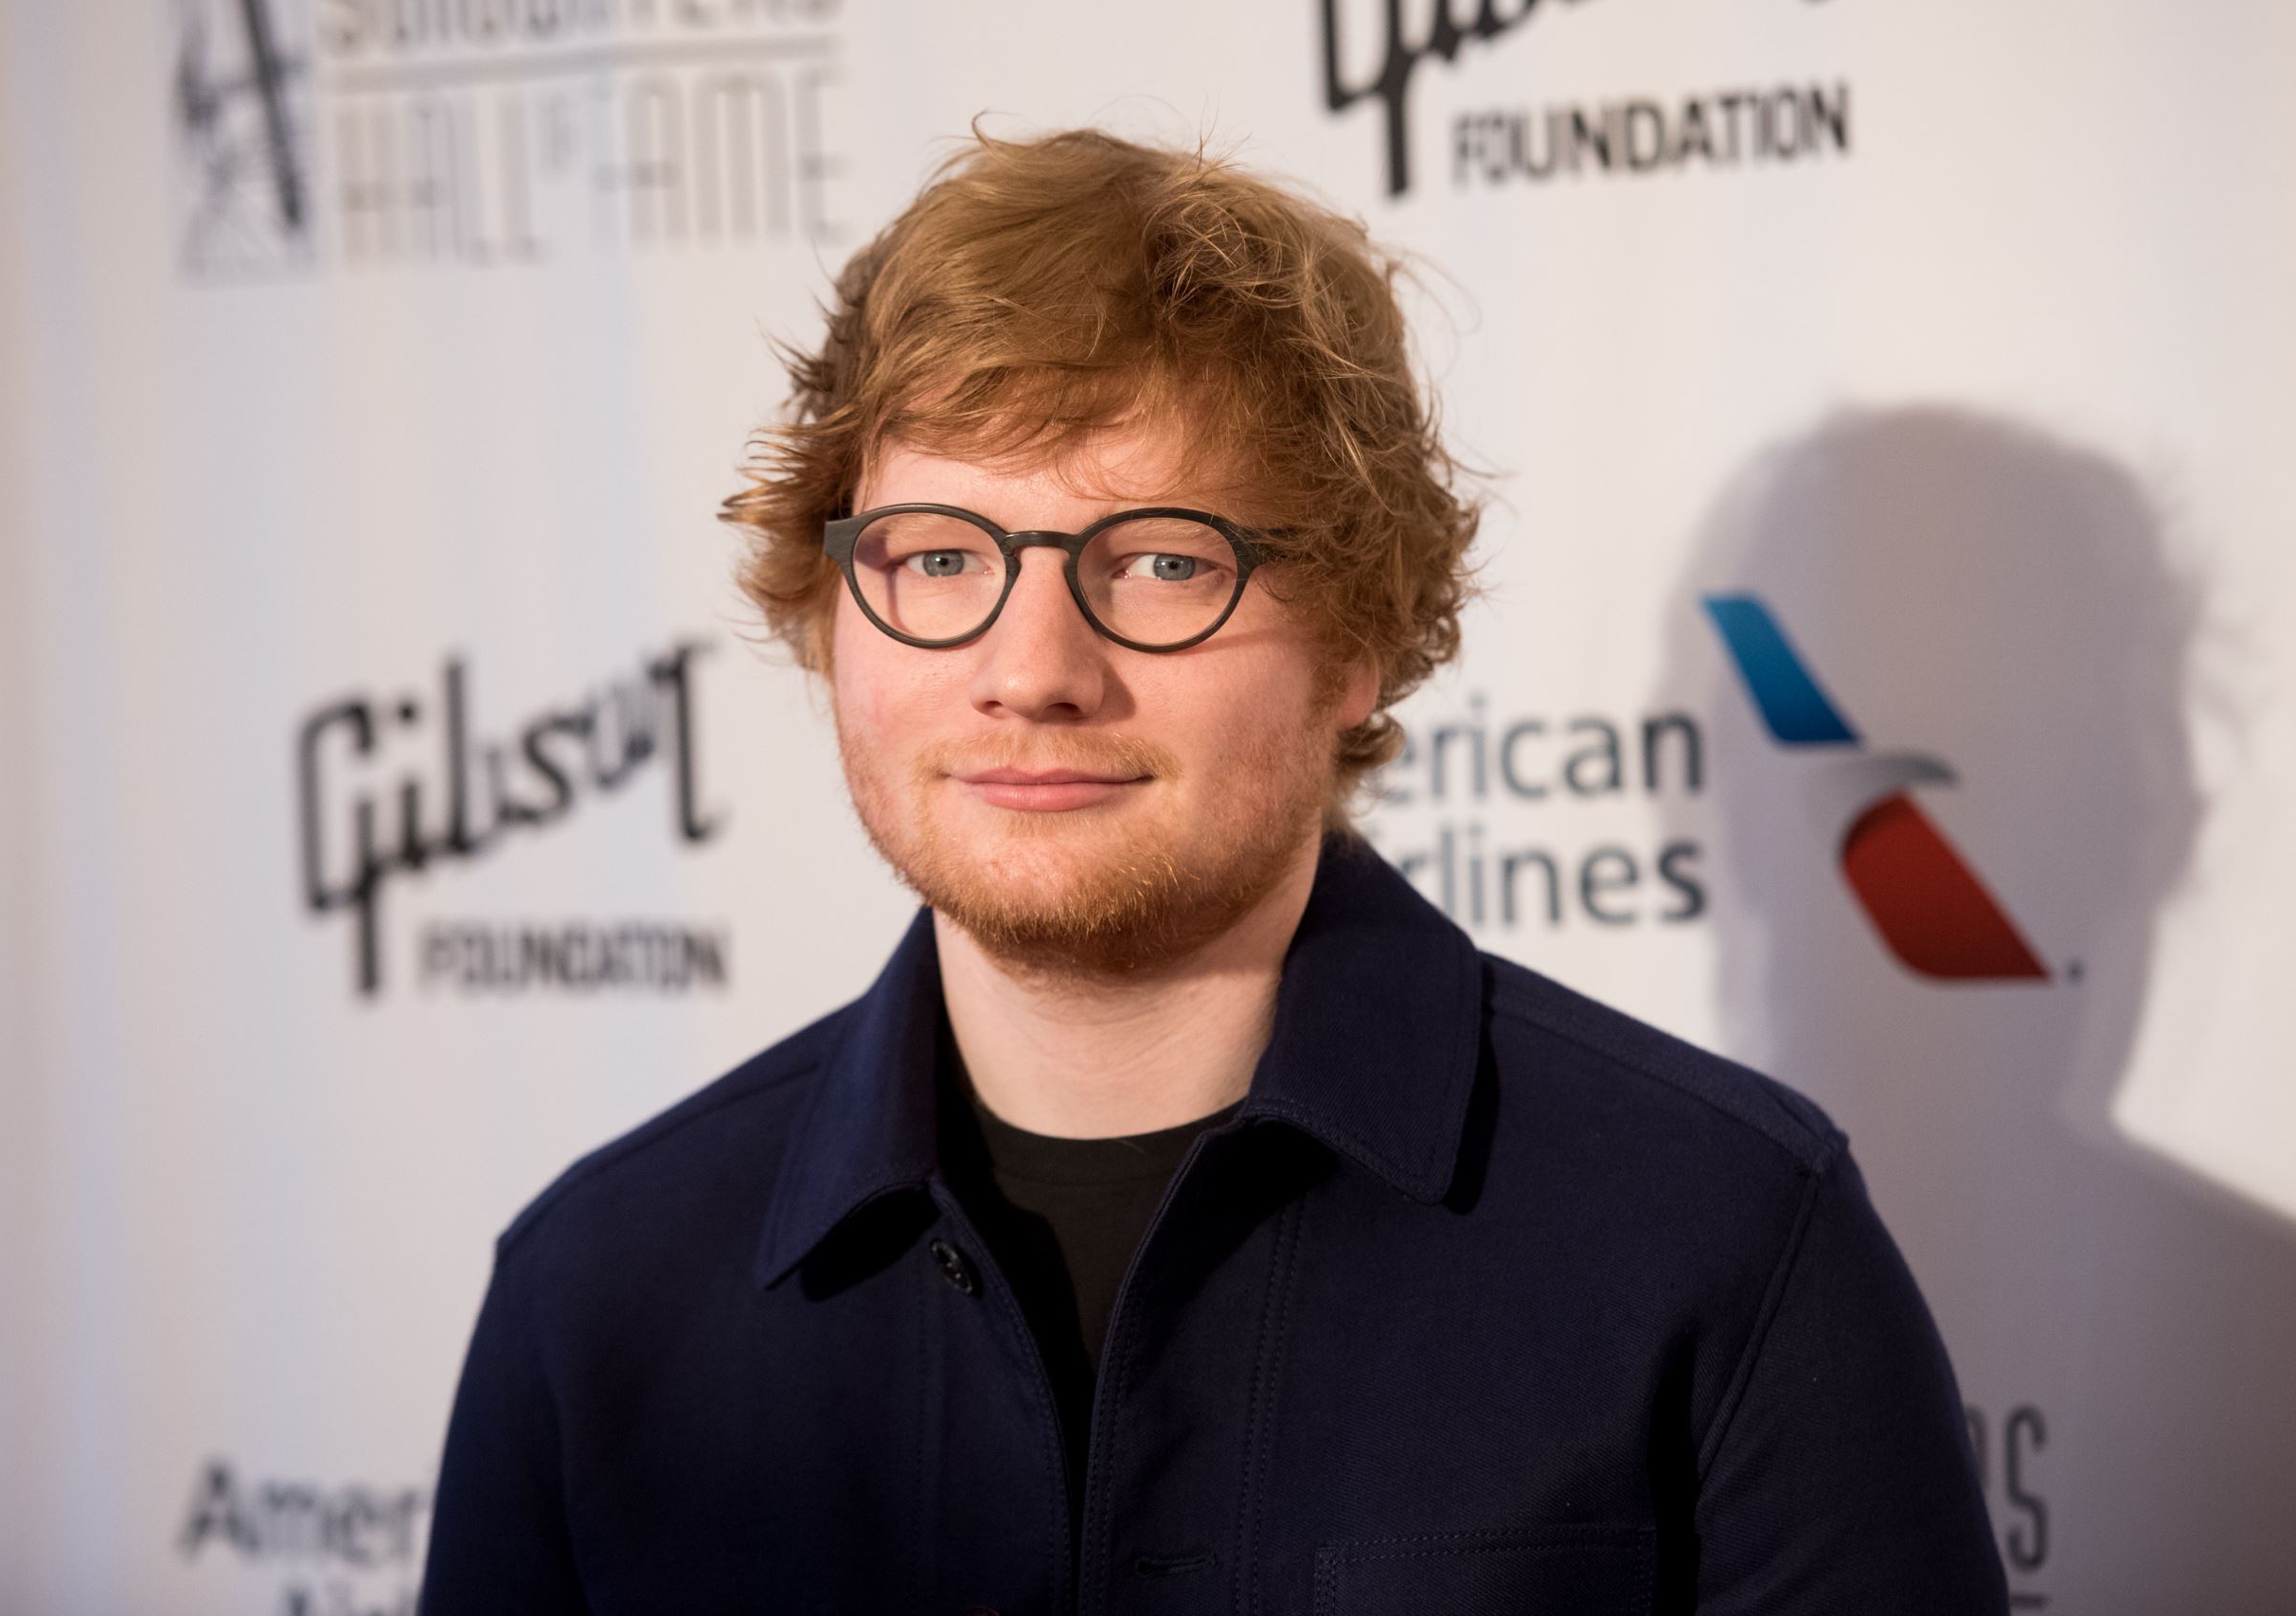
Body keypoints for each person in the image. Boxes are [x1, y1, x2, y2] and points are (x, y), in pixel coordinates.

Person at [418, 127, 2007, 1614]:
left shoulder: (1721, 1240)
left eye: (1164, 561)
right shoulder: (600, 1295)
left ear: (1359, 638)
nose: (1029, 667)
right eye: (941, 561)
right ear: (835, 614)